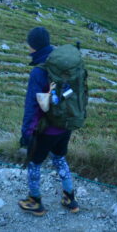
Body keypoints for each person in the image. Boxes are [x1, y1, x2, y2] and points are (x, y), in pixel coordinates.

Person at [18, 26, 79, 215]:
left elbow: (32, 107)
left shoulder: (38, 71)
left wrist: (27, 133)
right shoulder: (62, 62)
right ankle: (70, 199)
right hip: (65, 125)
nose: (27, 46)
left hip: (47, 129)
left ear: (34, 47)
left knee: (35, 163)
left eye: (28, 43)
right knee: (60, 158)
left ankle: (35, 201)